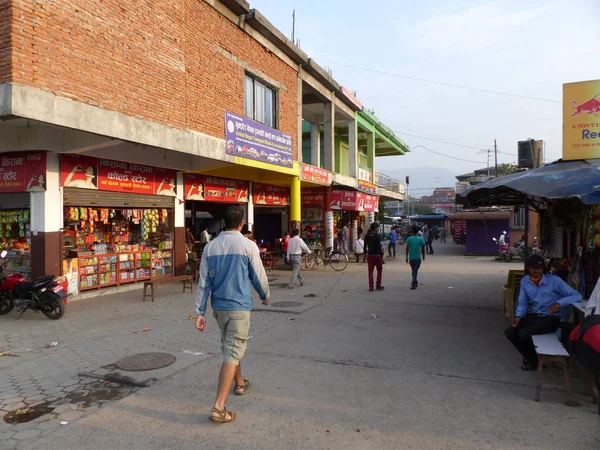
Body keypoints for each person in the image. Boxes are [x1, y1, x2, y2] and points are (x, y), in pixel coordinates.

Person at [194, 206, 270, 423]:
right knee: (232, 352)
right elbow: (258, 274)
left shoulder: (210, 247)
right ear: (241, 223)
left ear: (222, 223)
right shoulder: (248, 245)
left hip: (219, 309)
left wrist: (200, 312)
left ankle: (240, 383)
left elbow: (204, 281)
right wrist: (265, 295)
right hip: (239, 308)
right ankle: (219, 407)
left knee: (231, 346)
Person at [504, 255, 582, 371]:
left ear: (543, 269)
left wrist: (559, 303)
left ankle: (534, 359)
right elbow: (522, 302)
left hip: (551, 319)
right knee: (510, 332)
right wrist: (518, 316)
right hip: (535, 316)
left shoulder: (554, 280)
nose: (536, 271)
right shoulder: (525, 281)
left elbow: (577, 295)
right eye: (533, 268)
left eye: (539, 268)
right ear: (528, 269)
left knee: (524, 334)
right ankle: (534, 360)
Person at [364, 222, 384, 292]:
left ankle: (371, 287)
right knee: (379, 270)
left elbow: (365, 246)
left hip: (370, 256)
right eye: (378, 227)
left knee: (370, 272)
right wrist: (382, 256)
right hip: (377, 255)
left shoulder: (367, 236)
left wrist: (365, 254)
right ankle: (378, 285)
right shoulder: (377, 236)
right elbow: (379, 247)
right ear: (375, 228)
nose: (378, 229)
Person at [405, 226, 426, 290]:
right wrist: (423, 256)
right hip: (418, 258)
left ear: (412, 231)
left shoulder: (409, 239)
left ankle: (415, 281)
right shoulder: (420, 239)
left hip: (411, 258)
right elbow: (423, 248)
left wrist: (406, 257)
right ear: (417, 232)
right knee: (415, 270)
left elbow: (407, 248)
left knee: (413, 270)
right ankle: (413, 283)